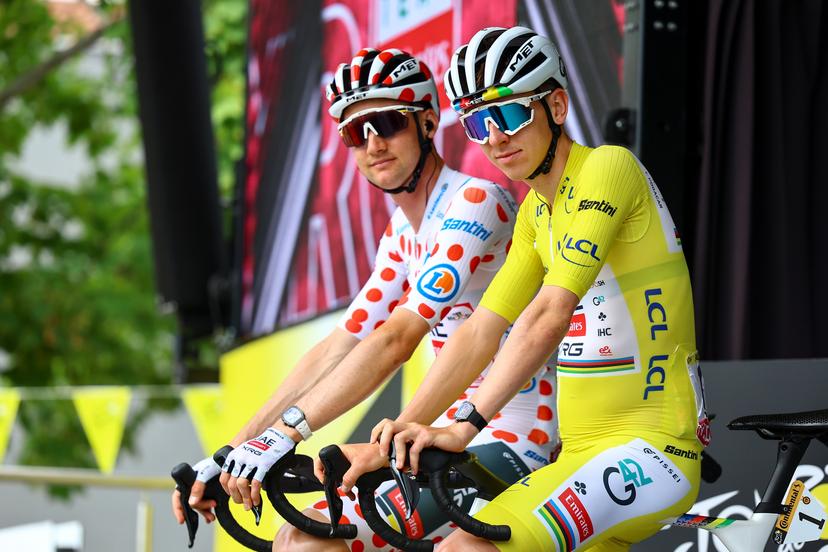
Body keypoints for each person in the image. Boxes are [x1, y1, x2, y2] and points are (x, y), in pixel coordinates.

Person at [170, 48, 559, 551]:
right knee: (296, 538)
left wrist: (287, 435)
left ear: (427, 121)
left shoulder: (475, 203)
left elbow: (396, 338)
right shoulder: (401, 232)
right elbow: (342, 344)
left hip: (519, 435)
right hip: (440, 437)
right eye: (356, 132)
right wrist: (233, 450)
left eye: (387, 122)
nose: (373, 143)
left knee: (315, 546)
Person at [343, 26, 710, 551]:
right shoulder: (536, 214)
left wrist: (463, 427)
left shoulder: (607, 167)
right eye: (476, 121)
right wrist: (400, 432)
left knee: (468, 549)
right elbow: (480, 332)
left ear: (557, 106)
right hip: (579, 453)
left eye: (510, 114)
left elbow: (548, 315)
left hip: (652, 449)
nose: (494, 136)